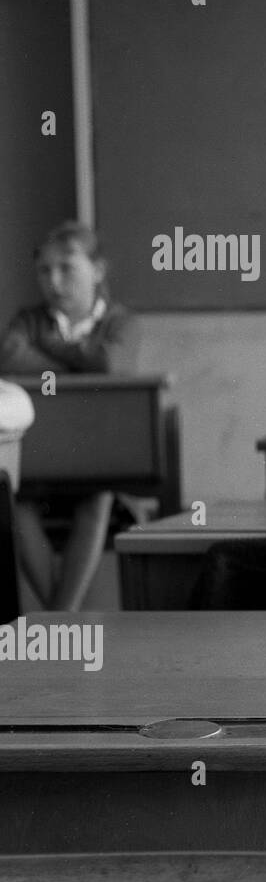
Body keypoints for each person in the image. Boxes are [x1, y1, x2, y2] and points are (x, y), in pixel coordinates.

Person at [0, 223, 137, 609]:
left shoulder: (120, 321)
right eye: (44, 271)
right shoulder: (28, 320)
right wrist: (78, 362)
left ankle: (59, 619)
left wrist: (47, 350)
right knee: (13, 501)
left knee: (98, 497)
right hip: (40, 465)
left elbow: (111, 362)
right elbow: (9, 355)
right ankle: (65, 621)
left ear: (97, 270)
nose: (54, 282)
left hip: (98, 465)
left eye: (66, 268)